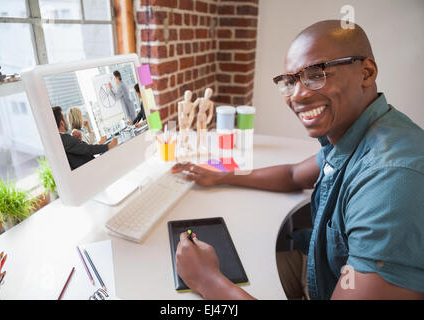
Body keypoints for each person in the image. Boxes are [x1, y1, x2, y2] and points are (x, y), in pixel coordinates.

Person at [171, 20, 424, 300]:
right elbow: (294, 175)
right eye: (289, 82)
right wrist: (221, 175)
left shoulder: (390, 180)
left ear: (366, 72)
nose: (298, 95)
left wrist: (208, 281)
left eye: (316, 74)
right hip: (323, 274)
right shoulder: (359, 132)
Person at [52, 106, 118, 170]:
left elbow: (83, 147)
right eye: (64, 119)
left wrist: (79, 141)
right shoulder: (64, 138)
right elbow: (87, 149)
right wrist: (108, 146)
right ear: (61, 123)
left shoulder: (66, 137)